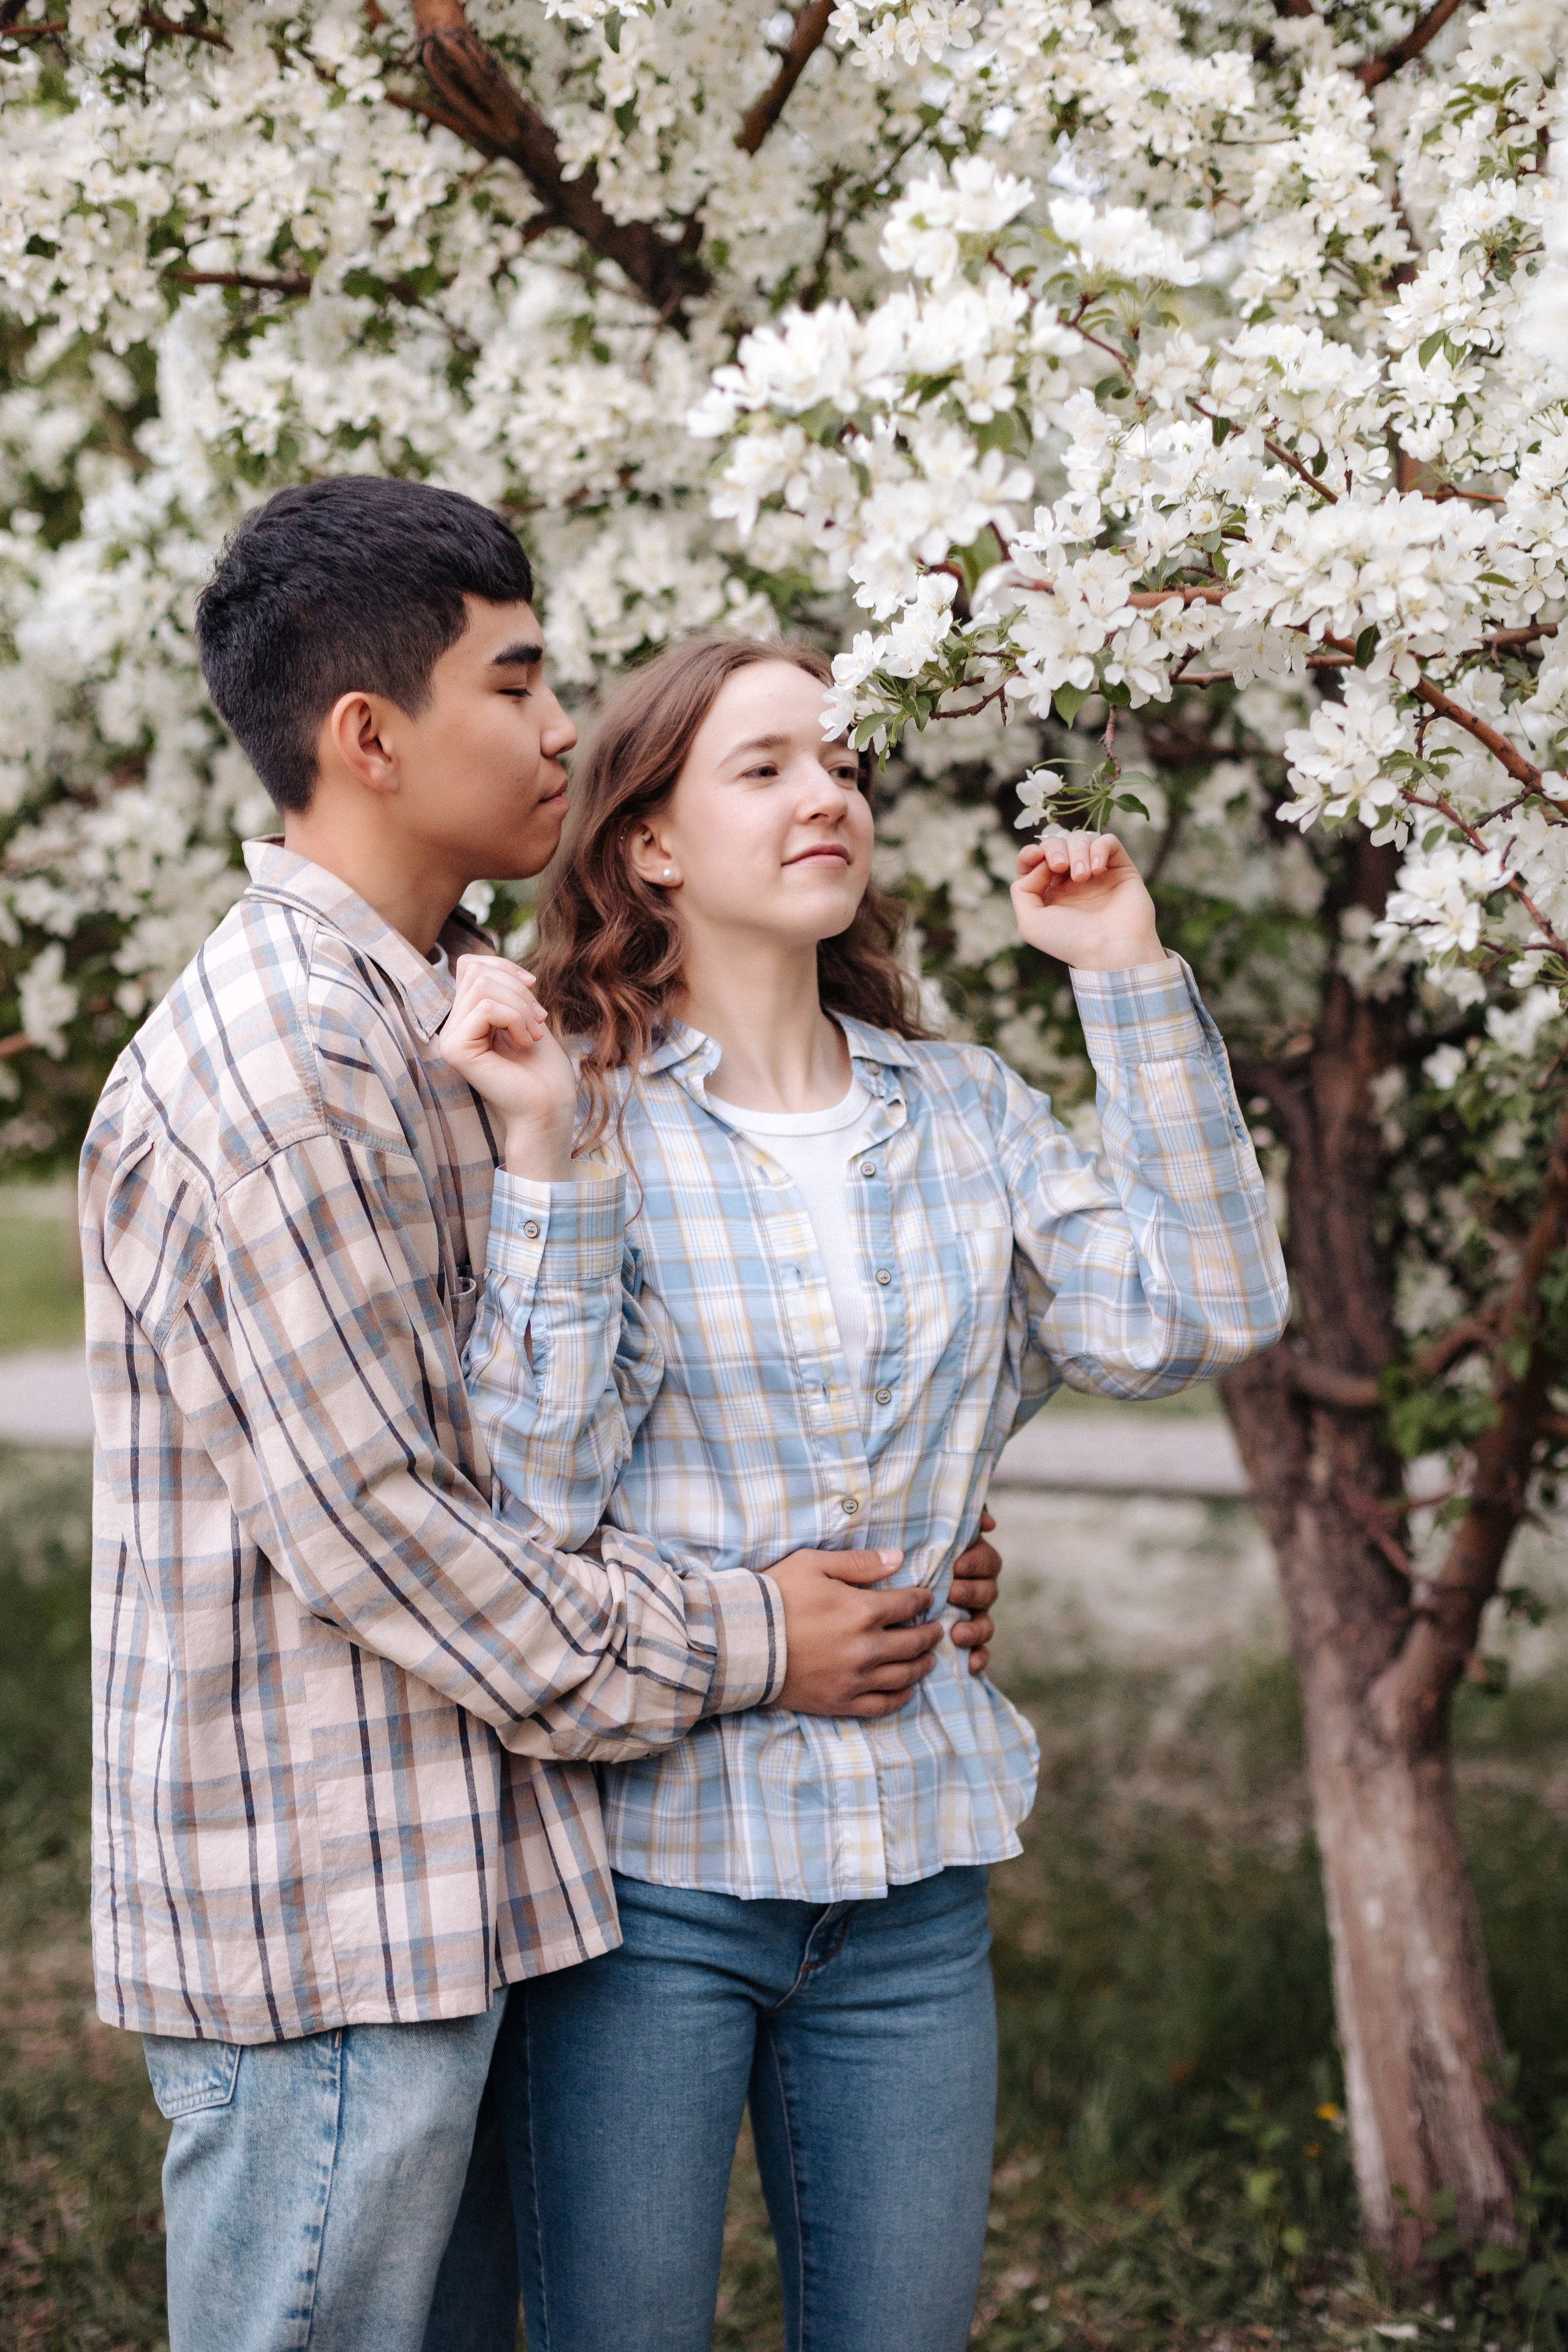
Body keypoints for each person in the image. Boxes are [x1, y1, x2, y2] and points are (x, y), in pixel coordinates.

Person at [80, 481, 1003, 2352]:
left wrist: (899, 1553)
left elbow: (551, 1429)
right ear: (370, 738)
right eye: (517, 681)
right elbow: (391, 1539)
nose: (565, 728)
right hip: (321, 1926)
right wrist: (763, 1632)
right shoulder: (281, 1073)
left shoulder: (435, 1014)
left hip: (458, 1897)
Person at [428, 636, 1292, 2352]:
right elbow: (529, 1495)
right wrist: (547, 1171)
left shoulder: (963, 1109)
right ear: (650, 842)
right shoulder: (569, 1109)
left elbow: (1208, 1311)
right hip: (646, 1884)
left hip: (911, 1889)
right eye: (763, 767)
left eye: (844, 764)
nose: (827, 792)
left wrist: (1121, 969)